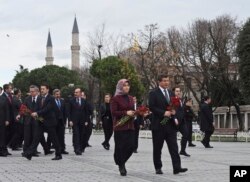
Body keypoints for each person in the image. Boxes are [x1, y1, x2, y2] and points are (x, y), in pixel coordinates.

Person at [148, 74, 187, 175]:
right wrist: (163, 113)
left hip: (170, 125)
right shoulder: (153, 93)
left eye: (167, 81)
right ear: (159, 82)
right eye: (164, 81)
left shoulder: (171, 93)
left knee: (174, 147)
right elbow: (152, 107)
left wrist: (174, 112)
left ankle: (177, 167)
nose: (166, 82)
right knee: (157, 148)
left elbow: (175, 106)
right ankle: (158, 167)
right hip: (159, 124)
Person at [24, 84, 62, 160]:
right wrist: (35, 114)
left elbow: (47, 109)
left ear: (47, 90)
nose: (42, 90)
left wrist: (37, 113)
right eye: (41, 89)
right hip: (41, 121)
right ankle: (29, 153)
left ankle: (58, 154)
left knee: (54, 139)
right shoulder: (41, 98)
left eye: (43, 89)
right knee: (36, 137)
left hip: (50, 122)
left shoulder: (51, 98)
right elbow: (39, 108)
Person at [111, 79, 136, 176]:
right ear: (120, 87)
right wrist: (126, 113)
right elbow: (114, 112)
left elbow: (132, 110)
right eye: (124, 85)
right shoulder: (115, 98)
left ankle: (120, 161)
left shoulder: (130, 98)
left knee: (131, 146)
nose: (126, 87)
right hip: (120, 126)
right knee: (120, 147)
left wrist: (138, 112)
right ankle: (122, 166)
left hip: (130, 126)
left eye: (128, 85)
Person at [68, 88, 89, 155]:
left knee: (81, 134)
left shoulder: (84, 101)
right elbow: (69, 111)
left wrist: (86, 120)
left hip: (82, 121)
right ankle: (77, 149)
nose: (75, 94)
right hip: (74, 121)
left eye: (77, 92)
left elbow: (86, 111)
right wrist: (70, 120)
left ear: (80, 93)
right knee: (76, 134)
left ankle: (79, 148)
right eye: (75, 92)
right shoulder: (71, 101)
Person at [48, 89, 69, 154]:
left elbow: (65, 112)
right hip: (54, 121)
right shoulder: (51, 102)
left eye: (59, 94)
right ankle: (49, 149)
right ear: (54, 95)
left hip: (61, 122)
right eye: (56, 94)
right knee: (52, 136)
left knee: (62, 136)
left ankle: (62, 149)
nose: (58, 96)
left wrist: (65, 121)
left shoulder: (62, 101)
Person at [173, 87, 190, 157]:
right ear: (174, 92)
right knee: (172, 138)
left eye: (179, 91)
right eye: (177, 91)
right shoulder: (172, 100)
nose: (178, 92)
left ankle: (182, 150)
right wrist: (174, 118)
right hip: (175, 121)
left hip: (182, 121)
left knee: (186, 134)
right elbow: (171, 110)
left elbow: (182, 110)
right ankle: (174, 152)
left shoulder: (181, 100)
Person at [1, 84, 14, 156]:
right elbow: (5, 110)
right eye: (10, 88)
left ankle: (4, 148)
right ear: (6, 89)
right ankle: (3, 150)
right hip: (5, 120)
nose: (11, 90)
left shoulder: (10, 96)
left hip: (11, 119)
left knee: (9, 134)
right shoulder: (2, 97)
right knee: (4, 135)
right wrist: (7, 119)